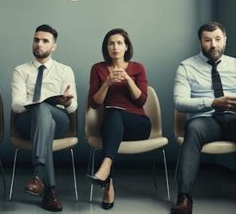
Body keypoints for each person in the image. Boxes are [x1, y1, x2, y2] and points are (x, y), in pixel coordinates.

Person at [171, 21, 236, 214]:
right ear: (200, 42)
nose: (213, 45)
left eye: (217, 39)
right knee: (192, 130)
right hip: (205, 120)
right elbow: (180, 102)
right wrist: (214, 102)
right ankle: (184, 199)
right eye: (207, 40)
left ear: (225, 40)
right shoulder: (186, 67)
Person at [11, 24, 77, 212]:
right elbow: (16, 105)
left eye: (45, 41)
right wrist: (36, 105)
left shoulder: (65, 70)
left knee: (45, 114)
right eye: (36, 39)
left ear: (53, 46)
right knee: (41, 112)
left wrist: (66, 102)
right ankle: (49, 191)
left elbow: (74, 107)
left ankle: (38, 175)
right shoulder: (20, 70)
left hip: (60, 121)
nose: (39, 44)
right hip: (28, 121)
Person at [86, 28, 151, 210]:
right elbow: (94, 103)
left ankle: (105, 172)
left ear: (126, 47)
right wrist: (107, 82)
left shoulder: (137, 68)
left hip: (138, 124)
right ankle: (108, 181)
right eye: (111, 43)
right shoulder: (98, 69)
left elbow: (141, 100)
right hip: (112, 124)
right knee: (112, 113)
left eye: (119, 43)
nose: (115, 47)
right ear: (106, 47)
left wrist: (128, 80)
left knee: (114, 114)